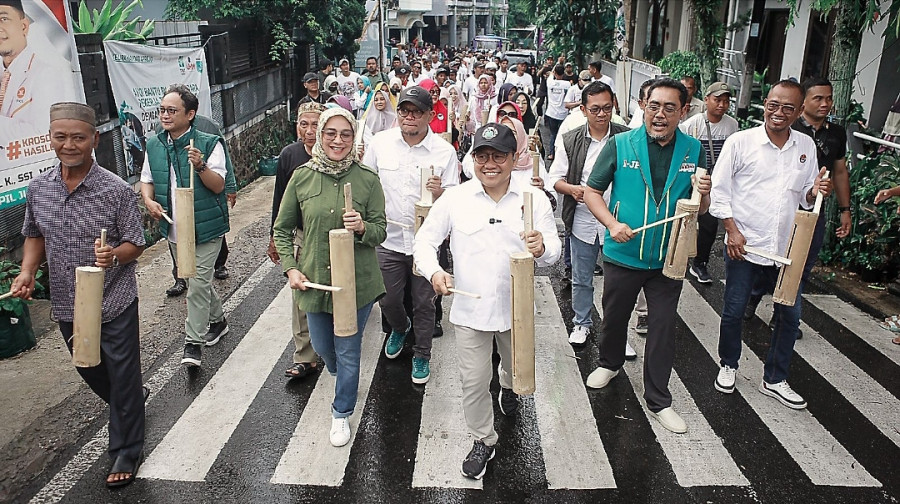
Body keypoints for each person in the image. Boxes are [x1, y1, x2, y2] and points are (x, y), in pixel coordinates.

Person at [413, 123, 561, 480]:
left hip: (517, 311)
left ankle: (508, 387)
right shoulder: (456, 198)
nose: (489, 163)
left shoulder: (534, 199)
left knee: (514, 369)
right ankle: (483, 439)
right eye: (482, 155)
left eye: (499, 156)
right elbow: (424, 242)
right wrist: (435, 273)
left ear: (514, 159)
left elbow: (553, 253)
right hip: (470, 312)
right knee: (473, 382)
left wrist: (542, 248)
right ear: (472, 159)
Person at [13, 102, 146, 488]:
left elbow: (134, 244)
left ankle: (126, 448)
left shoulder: (116, 190)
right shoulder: (39, 189)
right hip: (68, 302)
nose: (68, 145)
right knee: (88, 367)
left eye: (78, 137)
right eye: (60, 137)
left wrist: (114, 255)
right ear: (50, 138)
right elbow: (34, 234)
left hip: (114, 300)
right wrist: (26, 272)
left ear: (94, 139)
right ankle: (131, 402)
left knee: (121, 374)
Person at [582, 78, 711, 434]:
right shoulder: (621, 144)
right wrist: (611, 223)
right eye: (654, 106)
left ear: (684, 111)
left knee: (662, 328)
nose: (660, 114)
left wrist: (705, 193)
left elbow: (700, 210)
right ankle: (609, 363)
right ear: (642, 105)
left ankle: (658, 400)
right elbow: (592, 191)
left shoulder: (695, 150)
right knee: (615, 317)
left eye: (670, 108)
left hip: (669, 257)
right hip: (624, 252)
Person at [709, 80, 831, 410]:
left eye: (788, 108)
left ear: (799, 110)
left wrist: (817, 189)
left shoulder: (805, 146)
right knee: (734, 311)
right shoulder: (740, 142)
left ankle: (775, 378)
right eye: (773, 105)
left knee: (789, 317)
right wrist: (731, 231)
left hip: (786, 251)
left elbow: (806, 198)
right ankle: (729, 364)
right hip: (744, 246)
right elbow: (719, 193)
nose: (779, 113)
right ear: (765, 103)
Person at [273, 107, 387, 447]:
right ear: (319, 136)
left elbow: (381, 230)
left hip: (357, 282)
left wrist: (363, 227)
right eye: (331, 133)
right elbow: (282, 230)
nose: (338, 140)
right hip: (315, 280)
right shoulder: (302, 177)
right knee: (324, 348)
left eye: (346, 134)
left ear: (354, 139)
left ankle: (341, 413)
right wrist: (291, 268)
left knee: (349, 350)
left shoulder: (367, 179)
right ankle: (341, 376)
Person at [362, 86, 459, 384]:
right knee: (388, 298)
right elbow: (367, 184)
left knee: (424, 303)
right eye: (404, 110)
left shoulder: (445, 152)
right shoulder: (380, 143)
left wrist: (440, 191)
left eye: (417, 111)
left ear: (430, 115)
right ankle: (399, 327)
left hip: (426, 243)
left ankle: (422, 354)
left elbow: (456, 197)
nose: (410, 117)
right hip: (388, 239)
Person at [141, 84, 230, 368]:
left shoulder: (208, 142)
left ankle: (193, 344)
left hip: (205, 227)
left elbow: (218, 186)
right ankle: (218, 320)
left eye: (172, 110)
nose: (165, 116)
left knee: (197, 283)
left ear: (190, 114)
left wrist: (201, 166)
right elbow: (146, 179)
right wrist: (149, 201)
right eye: (162, 110)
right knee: (195, 280)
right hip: (174, 227)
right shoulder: (155, 144)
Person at [549, 82, 631, 350]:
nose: (602, 114)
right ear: (583, 109)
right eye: (595, 109)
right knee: (581, 277)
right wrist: (572, 189)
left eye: (607, 108)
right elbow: (555, 179)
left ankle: (617, 332)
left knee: (618, 281)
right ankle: (581, 322)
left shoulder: (626, 137)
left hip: (617, 220)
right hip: (583, 218)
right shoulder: (571, 139)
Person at [268, 102, 325, 380]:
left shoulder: (337, 153)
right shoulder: (289, 155)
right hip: (302, 233)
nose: (310, 131)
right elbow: (280, 198)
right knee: (301, 291)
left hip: (333, 233)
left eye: (316, 124)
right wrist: (274, 237)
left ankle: (335, 344)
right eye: (305, 124)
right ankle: (305, 355)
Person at [679, 82, 740, 283]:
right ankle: (677, 256)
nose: (722, 105)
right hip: (695, 179)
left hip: (717, 182)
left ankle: (700, 262)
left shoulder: (732, 125)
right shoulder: (692, 124)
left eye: (726, 101)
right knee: (685, 221)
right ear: (707, 100)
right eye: (717, 100)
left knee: (709, 223)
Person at [0, 0, 80, 140]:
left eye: (4, 19)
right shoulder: (3, 74)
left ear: (24, 27)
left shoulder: (46, 74)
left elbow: (43, 133)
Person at [543, 64, 571, 160]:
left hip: (551, 113)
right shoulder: (567, 84)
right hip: (563, 114)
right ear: (563, 73)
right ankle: (562, 155)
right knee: (563, 135)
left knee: (553, 134)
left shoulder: (550, 82)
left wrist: (557, 63)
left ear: (555, 73)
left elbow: (551, 73)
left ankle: (551, 154)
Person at [360, 82, 397, 148]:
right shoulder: (368, 118)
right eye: (376, 100)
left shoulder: (394, 117)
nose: (379, 102)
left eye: (382, 99)